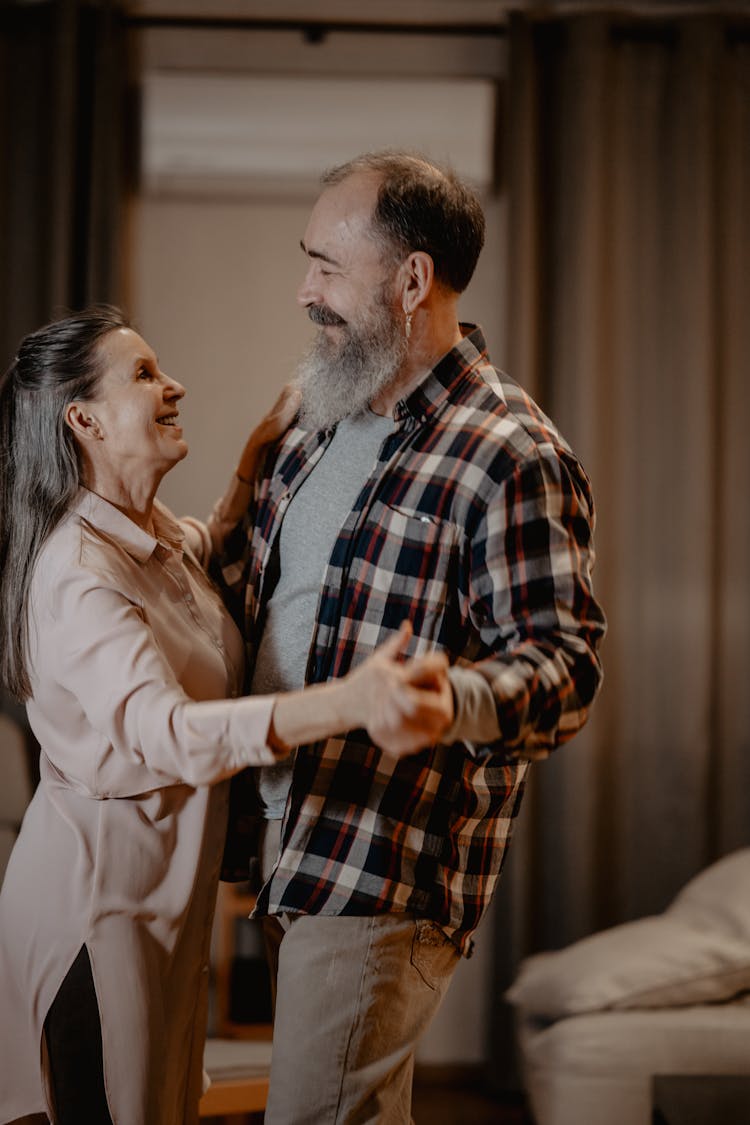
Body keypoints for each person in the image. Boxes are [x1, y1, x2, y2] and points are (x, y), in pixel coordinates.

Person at [217, 151, 607, 1123]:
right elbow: (261, 598)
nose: (304, 290)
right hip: (278, 839)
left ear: (412, 280)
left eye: (326, 266)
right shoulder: (312, 418)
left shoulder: (510, 455)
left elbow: (564, 670)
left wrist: (452, 703)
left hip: (385, 863)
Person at [0, 307, 454, 1125]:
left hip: (157, 905)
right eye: (143, 375)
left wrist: (253, 458)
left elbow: (200, 556)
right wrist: (345, 702)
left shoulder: (145, 535)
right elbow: (167, 734)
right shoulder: (77, 573)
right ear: (85, 419)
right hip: (94, 918)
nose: (173, 385)